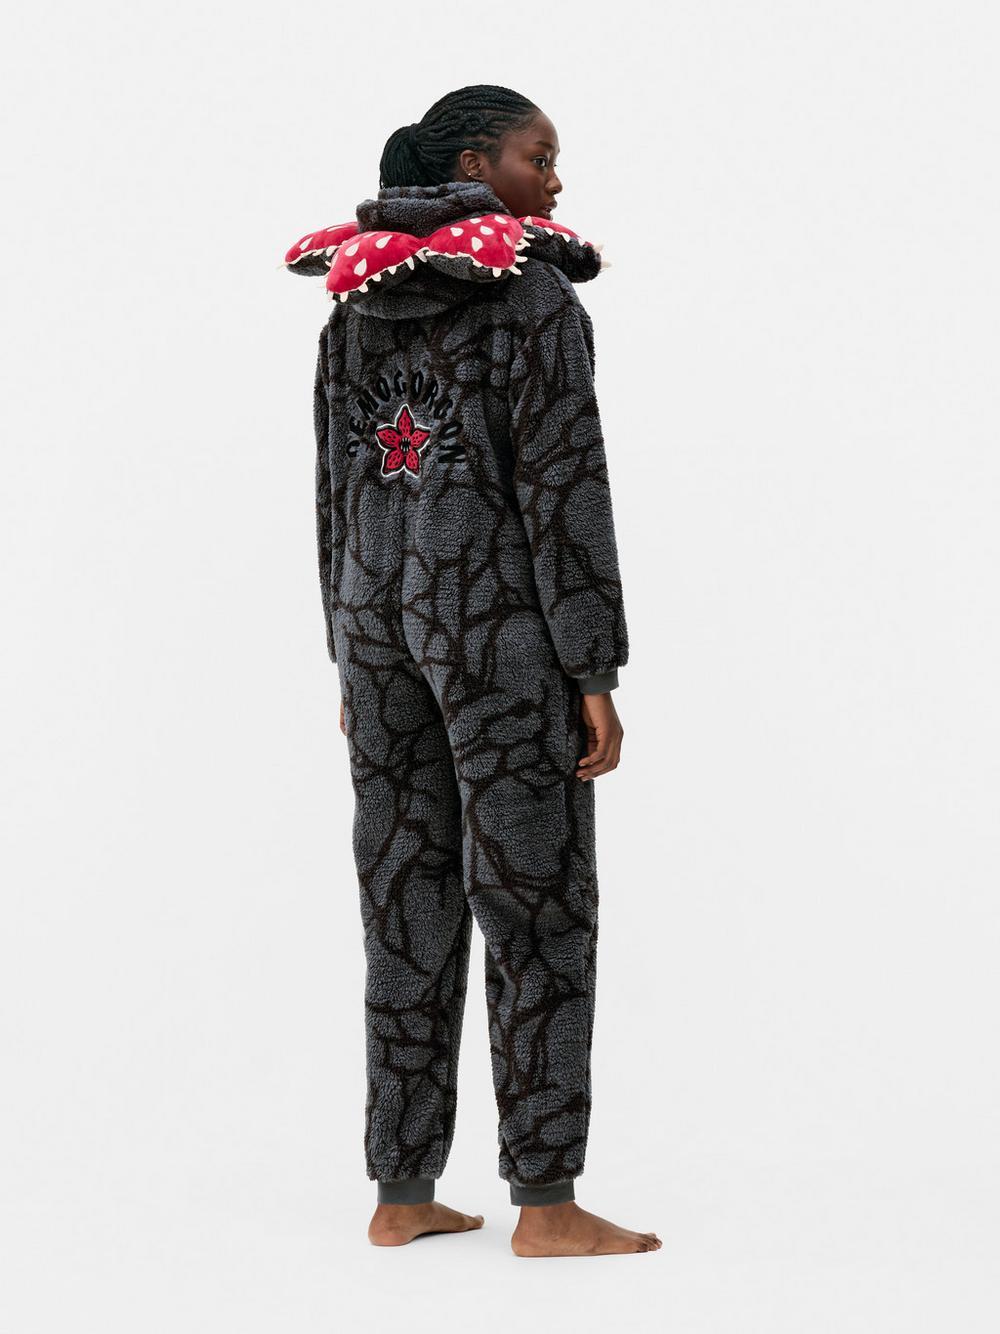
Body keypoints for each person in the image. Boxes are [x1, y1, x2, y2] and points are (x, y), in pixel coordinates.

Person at [284, 84, 660, 1258]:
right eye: (537, 156)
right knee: (537, 904)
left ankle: (401, 1191)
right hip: (499, 639)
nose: (555, 178)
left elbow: (334, 491)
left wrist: (347, 651)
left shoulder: (354, 303)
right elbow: (563, 488)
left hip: (377, 633)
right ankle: (546, 1202)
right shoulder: (531, 297)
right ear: (470, 165)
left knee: (403, 900)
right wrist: (591, 666)